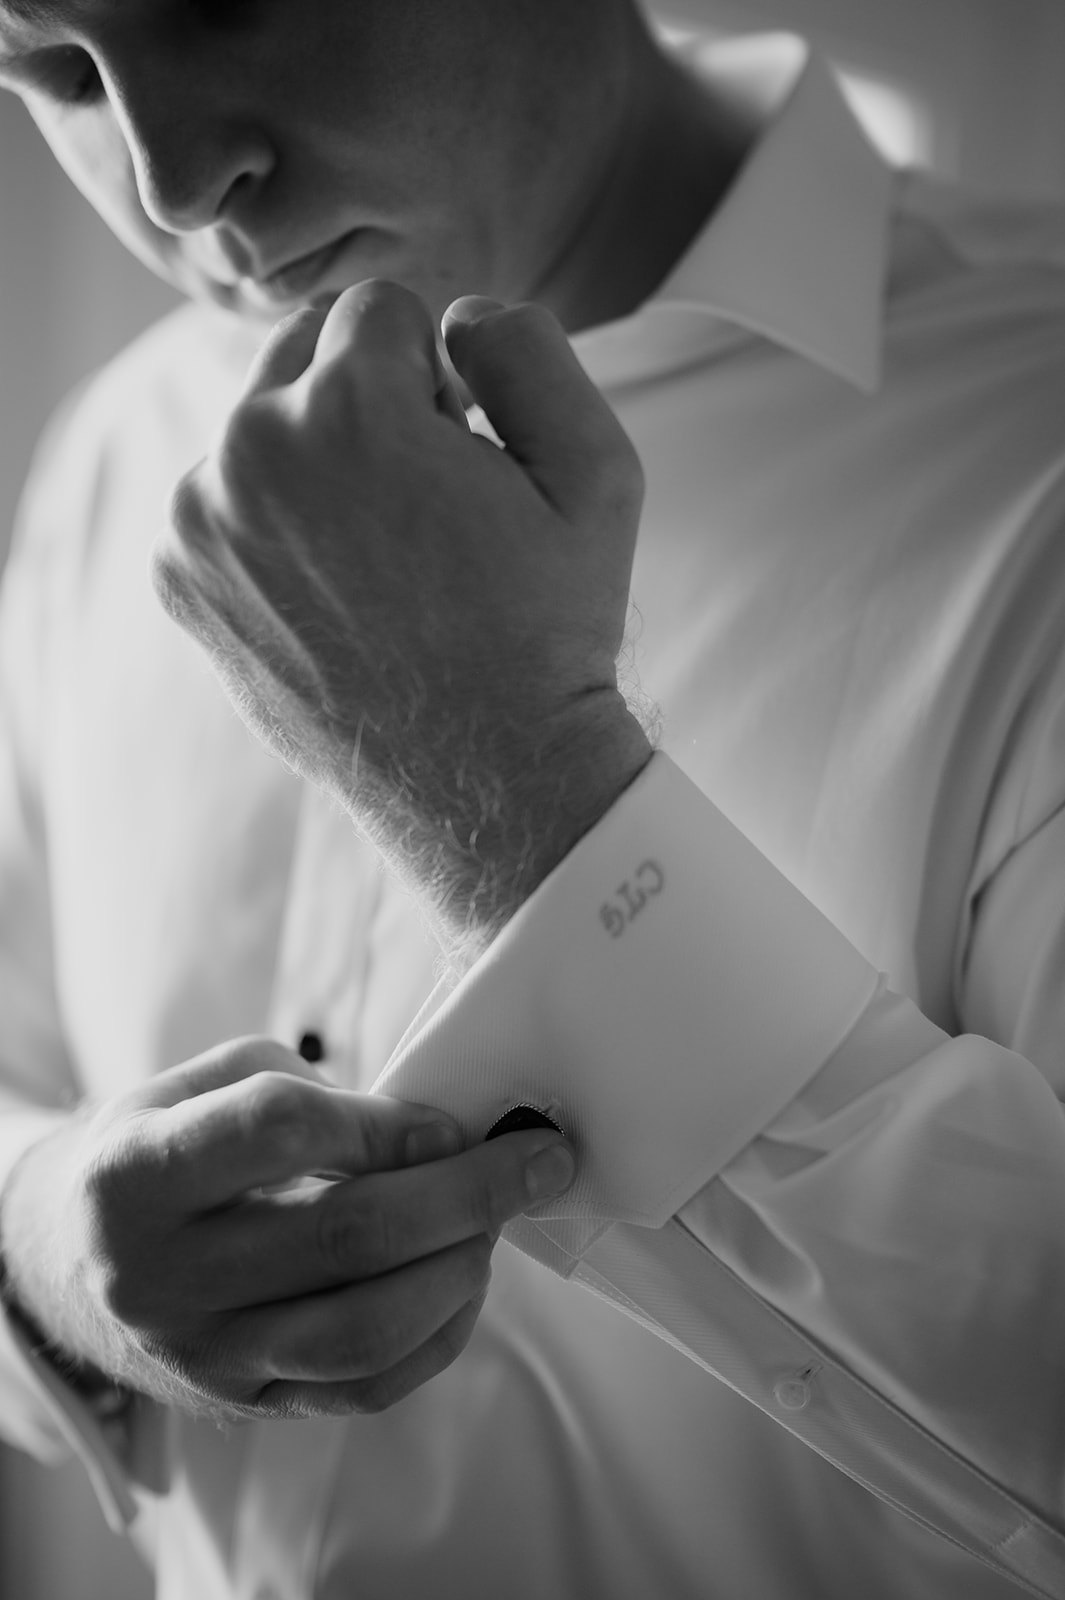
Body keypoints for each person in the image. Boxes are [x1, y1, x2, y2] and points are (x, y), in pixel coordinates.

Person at [0, 1, 1063, 1596]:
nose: (171, 182)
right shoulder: (110, 454)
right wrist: (50, 1257)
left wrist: (506, 785)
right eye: (55, 68)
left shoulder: (1032, 451)